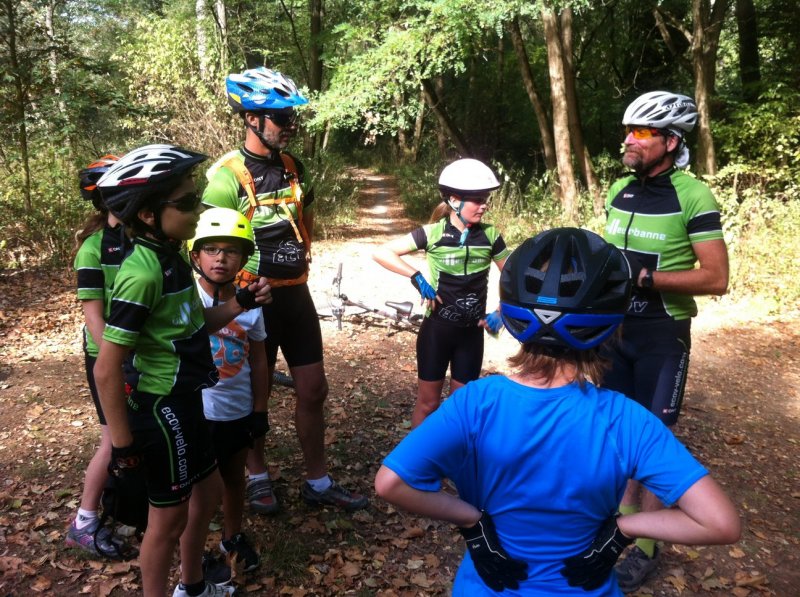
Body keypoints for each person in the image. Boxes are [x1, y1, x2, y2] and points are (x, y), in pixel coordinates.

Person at [374, 227, 740, 596]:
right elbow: (720, 524)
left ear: (514, 316)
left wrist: (473, 522)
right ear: (611, 326)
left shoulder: (475, 402)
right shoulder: (627, 420)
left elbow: (390, 483)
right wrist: (624, 530)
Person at [93, 144, 270, 597]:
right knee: (167, 519)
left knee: (208, 492)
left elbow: (197, 325)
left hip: (188, 399)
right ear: (150, 214)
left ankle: (192, 586)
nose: (199, 209)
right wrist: (122, 445)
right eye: (188, 202)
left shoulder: (173, 259)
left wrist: (240, 303)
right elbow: (107, 369)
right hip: (159, 407)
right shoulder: (143, 273)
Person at [202, 67, 367, 512]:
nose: (289, 125)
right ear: (251, 118)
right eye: (280, 117)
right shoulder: (226, 177)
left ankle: (318, 482)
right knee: (257, 394)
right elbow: (205, 248)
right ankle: (257, 476)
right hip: (250, 301)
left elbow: (305, 223)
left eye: (291, 116)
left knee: (313, 389)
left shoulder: (296, 168)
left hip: (296, 296)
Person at [603, 90, 730, 592]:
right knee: (615, 430)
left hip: (662, 334)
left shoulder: (694, 195)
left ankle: (648, 546)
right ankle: (621, 520)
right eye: (628, 131)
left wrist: (647, 280)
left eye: (642, 133)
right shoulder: (618, 189)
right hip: (613, 332)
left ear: (671, 141)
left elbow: (716, 277)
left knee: (652, 440)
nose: (629, 140)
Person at [372, 158, 510, 427]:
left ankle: (451, 465)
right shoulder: (432, 233)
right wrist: (416, 276)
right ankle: (416, 466)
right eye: (477, 200)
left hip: (471, 334)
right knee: (428, 403)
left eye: (486, 199)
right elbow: (382, 252)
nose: (484, 205)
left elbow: (512, 274)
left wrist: (503, 311)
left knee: (461, 408)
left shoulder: (491, 235)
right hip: (437, 330)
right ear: (455, 200)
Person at [188, 208, 268, 576]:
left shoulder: (250, 305)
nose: (221, 258)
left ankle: (231, 537)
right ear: (195, 255)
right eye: (212, 250)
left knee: (234, 478)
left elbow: (261, 360)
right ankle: (193, 548)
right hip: (196, 412)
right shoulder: (187, 301)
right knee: (197, 489)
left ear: (243, 258)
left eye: (231, 251)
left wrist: (260, 409)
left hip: (235, 409)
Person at [67, 154, 135, 559]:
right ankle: (84, 522)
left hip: (139, 356)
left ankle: (123, 506)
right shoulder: (93, 249)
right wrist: (120, 358)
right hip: (107, 358)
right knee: (112, 439)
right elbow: (95, 321)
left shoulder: (141, 242)